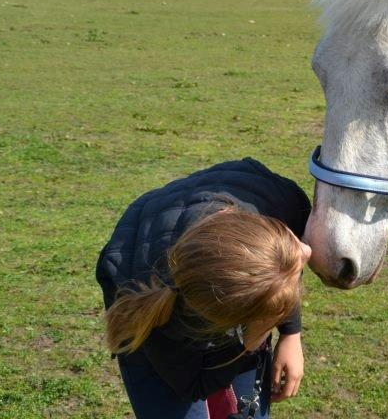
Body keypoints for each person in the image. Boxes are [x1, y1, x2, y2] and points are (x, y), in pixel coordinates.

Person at [95, 158, 312, 419]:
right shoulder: (159, 313)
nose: (307, 252)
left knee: (248, 411)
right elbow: (193, 385)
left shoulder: (283, 203)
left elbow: (280, 266)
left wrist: (291, 334)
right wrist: (255, 336)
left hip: (226, 241)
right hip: (143, 305)